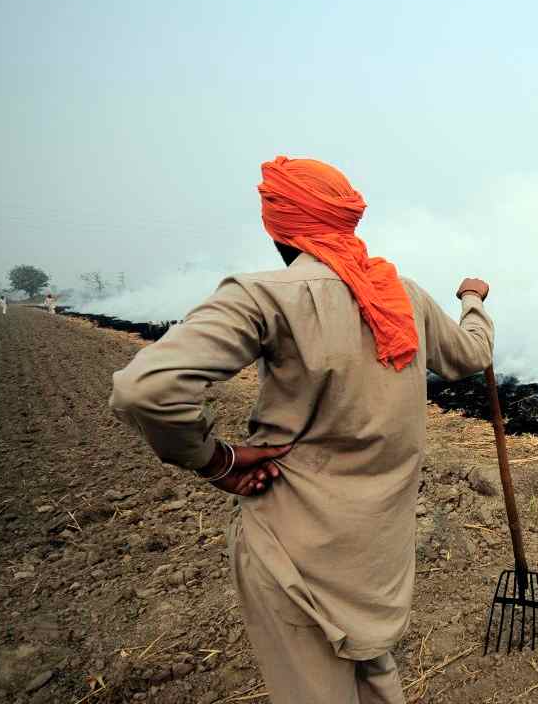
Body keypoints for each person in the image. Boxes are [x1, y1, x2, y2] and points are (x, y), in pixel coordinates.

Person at [109, 156, 493, 704]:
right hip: (376, 558)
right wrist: (472, 300)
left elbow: (145, 388)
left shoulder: (264, 295)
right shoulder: (402, 296)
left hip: (293, 552)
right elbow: (473, 353)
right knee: (375, 678)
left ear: (276, 226)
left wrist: (214, 460)